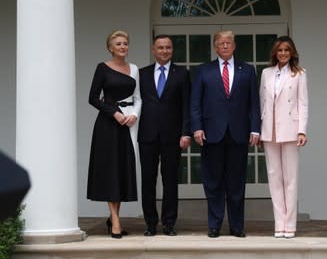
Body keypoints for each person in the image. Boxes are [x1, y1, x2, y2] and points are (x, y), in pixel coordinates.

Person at [191, 30, 261, 238]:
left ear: (234, 45)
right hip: (211, 134)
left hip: (239, 133)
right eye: (221, 43)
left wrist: (255, 128)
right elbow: (195, 103)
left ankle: (237, 226)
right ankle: (214, 225)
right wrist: (196, 127)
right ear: (215, 46)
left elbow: (254, 104)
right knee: (213, 182)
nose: (225, 46)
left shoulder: (247, 70)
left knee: (236, 183)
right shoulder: (203, 70)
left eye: (228, 42)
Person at [87, 30, 142, 239]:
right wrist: (114, 113)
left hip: (128, 124)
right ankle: (116, 220)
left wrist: (134, 115)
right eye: (118, 44)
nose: (122, 47)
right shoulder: (102, 68)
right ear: (110, 47)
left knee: (121, 171)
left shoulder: (134, 69)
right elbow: (93, 98)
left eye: (125, 43)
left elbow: (138, 98)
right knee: (110, 170)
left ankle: (113, 218)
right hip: (107, 126)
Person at [138, 35, 191, 236]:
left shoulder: (182, 74)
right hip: (147, 135)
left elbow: (186, 105)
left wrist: (186, 132)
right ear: (153, 50)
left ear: (172, 50)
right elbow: (135, 101)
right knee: (148, 181)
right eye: (160, 48)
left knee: (170, 181)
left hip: (173, 136)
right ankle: (150, 223)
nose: (164, 51)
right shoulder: (141, 74)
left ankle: (169, 223)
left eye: (168, 47)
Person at [259, 36, 309, 239]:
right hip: (269, 129)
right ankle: (279, 223)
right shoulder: (266, 73)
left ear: (292, 53)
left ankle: (290, 224)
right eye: (280, 50)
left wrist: (302, 130)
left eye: (286, 50)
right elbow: (262, 102)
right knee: (274, 177)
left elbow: (303, 103)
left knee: (290, 178)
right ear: (275, 53)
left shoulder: (300, 74)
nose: (283, 54)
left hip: (290, 128)